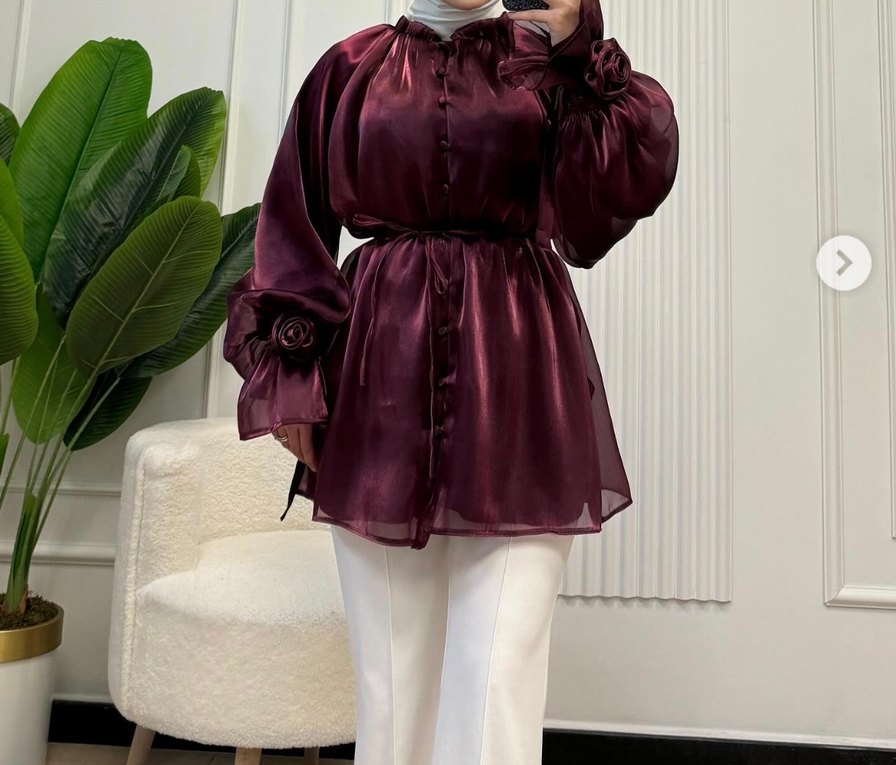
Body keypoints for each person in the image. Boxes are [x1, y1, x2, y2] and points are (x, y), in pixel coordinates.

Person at [222, 0, 679, 761]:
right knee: (391, 685)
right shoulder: (348, 68)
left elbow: (607, 199)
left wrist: (575, 46)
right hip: (377, 379)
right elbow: (292, 225)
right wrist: (294, 379)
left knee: (498, 673)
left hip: (520, 379)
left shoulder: (547, 64)